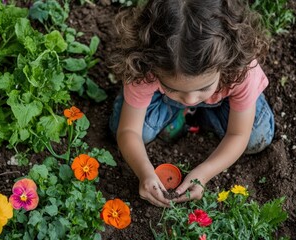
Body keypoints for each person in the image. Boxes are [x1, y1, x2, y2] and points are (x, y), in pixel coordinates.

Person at [108, 0, 274, 207]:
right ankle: (182, 112)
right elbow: (129, 131)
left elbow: (238, 134)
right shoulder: (145, 66)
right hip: (163, 99)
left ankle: (199, 113)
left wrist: (203, 174)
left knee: (256, 137)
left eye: (203, 88)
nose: (191, 98)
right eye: (174, 88)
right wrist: (144, 172)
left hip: (226, 100)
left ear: (228, 61)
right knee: (123, 132)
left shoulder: (241, 71)